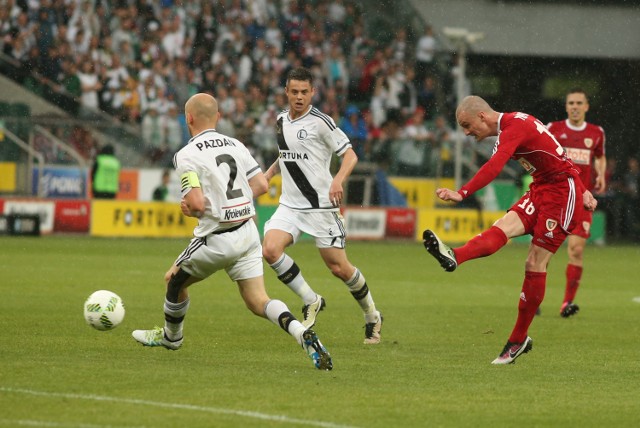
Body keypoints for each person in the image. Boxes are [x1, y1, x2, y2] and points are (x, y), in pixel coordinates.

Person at [131, 93, 332, 371]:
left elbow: (198, 203)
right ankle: (301, 333)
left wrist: (193, 207)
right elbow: (261, 185)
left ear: (188, 118)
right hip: (248, 234)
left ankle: (171, 337)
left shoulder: (186, 155)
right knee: (258, 300)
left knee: (173, 281)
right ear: (218, 117)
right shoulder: (236, 144)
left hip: (217, 239)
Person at [422, 95, 597, 365]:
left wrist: (462, 193)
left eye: (467, 125)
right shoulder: (514, 124)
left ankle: (518, 340)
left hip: (561, 194)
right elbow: (557, 152)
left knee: (534, 261)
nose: (467, 133)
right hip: (541, 188)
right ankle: (455, 256)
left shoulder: (514, 126)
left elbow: (494, 166)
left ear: (482, 116)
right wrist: (582, 186)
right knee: (501, 229)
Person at [262, 67, 383, 344]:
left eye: (305, 92)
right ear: (286, 92)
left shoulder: (321, 122)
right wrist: (268, 175)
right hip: (290, 206)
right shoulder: (281, 120)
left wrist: (338, 179)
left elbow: (350, 155)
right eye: (294, 92)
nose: (300, 97)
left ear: (313, 92)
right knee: (269, 249)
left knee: (339, 268)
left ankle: (372, 315)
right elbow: (286, 155)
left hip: (321, 208)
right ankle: (311, 299)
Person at [546, 88, 606, 317]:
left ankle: (567, 303)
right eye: (571, 102)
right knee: (543, 251)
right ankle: (533, 296)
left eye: (579, 102)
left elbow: (600, 156)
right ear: (566, 106)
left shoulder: (596, 132)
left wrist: (600, 174)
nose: (575, 106)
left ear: (587, 106)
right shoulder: (553, 129)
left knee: (576, 250)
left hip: (583, 198)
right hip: (557, 197)